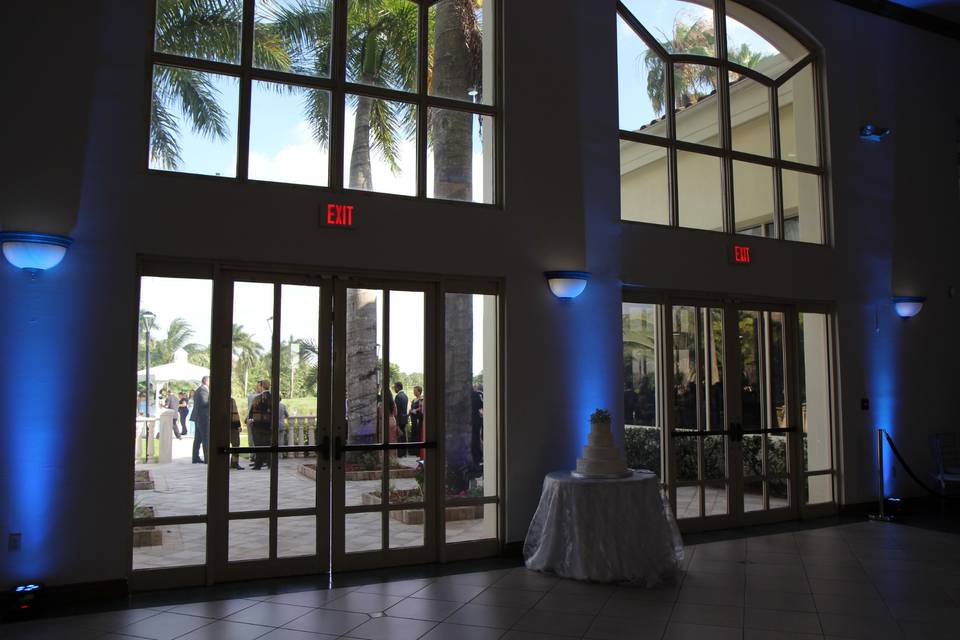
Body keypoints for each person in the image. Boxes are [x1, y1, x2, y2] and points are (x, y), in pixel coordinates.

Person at [248, 379, 272, 470]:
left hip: (258, 426)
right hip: (269, 426)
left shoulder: (257, 399)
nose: (257, 387)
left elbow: (252, 413)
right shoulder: (273, 397)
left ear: (262, 387)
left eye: (258, 386)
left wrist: (250, 421)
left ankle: (258, 464)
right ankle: (269, 463)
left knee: (259, 445)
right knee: (268, 444)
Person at [191, 376, 210, 464]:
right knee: (205, 437)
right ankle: (207, 458)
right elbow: (204, 403)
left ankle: (195, 457)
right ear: (206, 381)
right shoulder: (203, 390)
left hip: (198, 417)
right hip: (203, 418)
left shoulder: (199, 390)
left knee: (198, 438)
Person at [471, 383, 484, 469]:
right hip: (475, 420)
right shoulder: (476, 394)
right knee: (475, 438)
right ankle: (477, 457)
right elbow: (481, 405)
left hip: (468, 420)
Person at [393, 382, 409, 453]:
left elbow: (397, 410)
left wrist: (396, 421)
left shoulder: (398, 396)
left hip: (399, 419)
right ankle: (404, 451)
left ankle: (400, 452)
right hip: (404, 418)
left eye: (395, 387)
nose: (394, 389)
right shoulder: (405, 396)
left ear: (398, 387)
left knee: (399, 435)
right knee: (403, 435)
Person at [409, 385, 424, 457]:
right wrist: (410, 411)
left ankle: (417, 451)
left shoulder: (421, 399)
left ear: (419, 391)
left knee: (417, 433)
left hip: (418, 419)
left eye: (415, 391)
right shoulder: (413, 400)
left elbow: (421, 409)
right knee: (413, 432)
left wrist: (415, 410)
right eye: (413, 391)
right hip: (413, 419)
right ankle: (412, 451)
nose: (414, 392)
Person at [229, 397, 244, 470]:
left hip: (222, 426)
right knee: (235, 445)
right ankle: (234, 463)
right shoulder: (231, 401)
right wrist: (238, 426)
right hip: (232, 427)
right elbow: (235, 414)